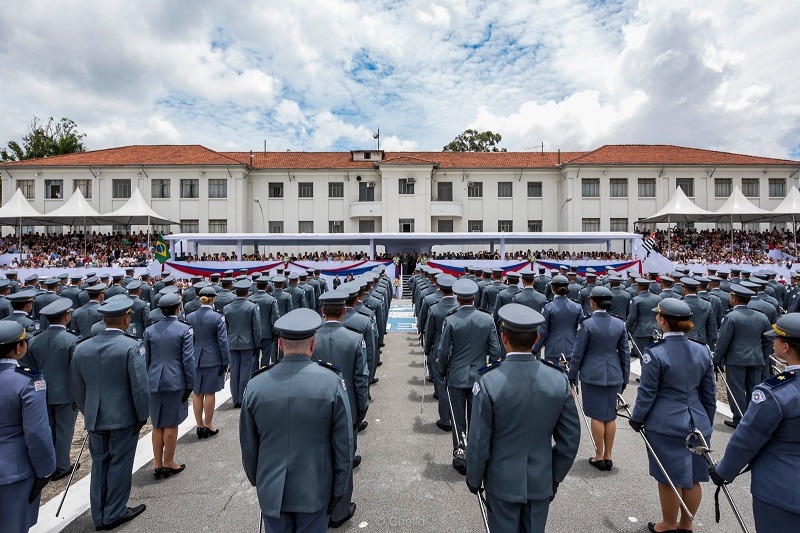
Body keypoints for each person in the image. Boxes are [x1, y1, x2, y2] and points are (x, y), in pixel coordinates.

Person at [466, 303, 580, 533]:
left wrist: (474, 478)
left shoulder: (489, 381)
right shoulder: (558, 379)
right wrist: (554, 476)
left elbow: (479, 441)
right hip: (541, 479)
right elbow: (570, 439)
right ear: (537, 337)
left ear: (503, 338)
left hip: (501, 480)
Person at [240, 308, 353, 533]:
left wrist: (261, 483)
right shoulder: (331, 382)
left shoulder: (255, 385)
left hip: (272, 491)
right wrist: (338, 491)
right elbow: (344, 445)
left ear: (280, 346)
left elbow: (249, 447)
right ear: (313, 345)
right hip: (315, 489)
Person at [628, 299, 716, 533]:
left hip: (665, 423)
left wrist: (637, 418)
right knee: (695, 477)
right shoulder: (702, 350)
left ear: (662, 320)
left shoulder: (655, 353)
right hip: (698, 421)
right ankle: (686, 525)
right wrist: (706, 421)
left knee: (668, 477)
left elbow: (647, 393)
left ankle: (668, 524)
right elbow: (709, 394)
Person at [710, 313, 800, 532]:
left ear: (785, 347)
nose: (773, 343)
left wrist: (723, 471)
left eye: (776, 340)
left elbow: (747, 438)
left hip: (782, 490)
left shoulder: (775, 392)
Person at [69, 297, 150, 531]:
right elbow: (139, 386)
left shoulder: (82, 347)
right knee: (120, 463)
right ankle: (114, 511)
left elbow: (76, 386)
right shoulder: (131, 346)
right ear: (126, 319)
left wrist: (88, 410)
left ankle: (99, 514)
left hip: (95, 415)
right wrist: (142, 415)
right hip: (123, 416)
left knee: (100, 463)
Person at [312, 290, 369, 528]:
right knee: (344, 456)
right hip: (347, 406)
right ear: (344, 311)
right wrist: (362, 407)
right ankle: (341, 509)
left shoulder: (310, 337)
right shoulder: (354, 338)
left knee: (318, 454)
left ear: (323, 311)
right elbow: (360, 378)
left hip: (315, 406)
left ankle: (320, 504)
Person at [438, 278, 501, 474]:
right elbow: (496, 351)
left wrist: (442, 370)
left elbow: (443, 351)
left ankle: (460, 454)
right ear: (474, 297)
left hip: (456, 374)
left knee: (457, 419)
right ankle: (476, 455)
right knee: (477, 419)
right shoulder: (487, 319)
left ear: (457, 298)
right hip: (479, 376)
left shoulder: (451, 319)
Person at [0, 321, 56, 533]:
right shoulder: (28, 380)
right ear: (18, 348)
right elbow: (37, 432)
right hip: (14, 471)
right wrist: (46, 469)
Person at [568, 286, 630, 471]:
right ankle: (609, 455)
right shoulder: (620, 324)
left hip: (592, 374)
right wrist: (625, 378)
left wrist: (572, 376)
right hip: (614, 374)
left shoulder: (586, 324)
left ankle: (599, 454)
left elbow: (577, 354)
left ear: (593, 302)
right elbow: (625, 354)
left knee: (596, 415)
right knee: (610, 416)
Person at [25, 298, 80, 481]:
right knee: (64, 430)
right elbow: (76, 370)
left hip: (42, 391)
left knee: (47, 430)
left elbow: (31, 367)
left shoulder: (34, 340)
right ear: (66, 317)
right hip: (66, 392)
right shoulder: (72, 340)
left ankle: (48, 465)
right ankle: (62, 466)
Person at [144, 292, 195, 479]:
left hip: (154, 379)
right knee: (171, 423)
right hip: (175, 380)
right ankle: (169, 462)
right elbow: (188, 360)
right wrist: (191, 383)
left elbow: (148, 359)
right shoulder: (184, 329)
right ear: (178, 308)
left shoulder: (150, 330)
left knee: (157, 424)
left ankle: (157, 464)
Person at [713, 285, 772, 428]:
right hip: (756, 358)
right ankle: (753, 417)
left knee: (736, 390)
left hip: (736, 359)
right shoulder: (761, 316)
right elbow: (768, 340)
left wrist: (717, 359)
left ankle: (740, 418)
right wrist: (762, 356)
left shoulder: (731, 317)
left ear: (733, 299)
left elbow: (723, 341)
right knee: (754, 389)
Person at [187, 287, 229, 439]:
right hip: (213, 358)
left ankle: (199, 425)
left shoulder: (190, 316)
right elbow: (223, 342)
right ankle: (208, 424)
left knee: (197, 393)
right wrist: (226, 361)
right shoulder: (217, 317)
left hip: (195, 357)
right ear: (213, 299)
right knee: (210, 393)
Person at [423, 274, 459, 431]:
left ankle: (445, 419)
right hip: (457, 351)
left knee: (442, 385)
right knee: (455, 386)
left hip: (438, 351)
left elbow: (429, 333)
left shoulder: (435, 308)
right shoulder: (459, 307)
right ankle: (457, 419)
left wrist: (427, 350)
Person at [224, 280, 262, 408]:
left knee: (234, 371)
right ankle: (243, 396)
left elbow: (226, 327)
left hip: (232, 342)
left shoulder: (227, 307)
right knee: (246, 370)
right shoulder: (252, 306)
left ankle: (236, 398)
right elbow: (256, 328)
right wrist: (257, 344)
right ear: (247, 292)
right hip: (248, 342)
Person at [532, 275, 582, 364]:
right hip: (572, 348)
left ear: (552, 288)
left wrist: (535, 349)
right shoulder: (577, 306)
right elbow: (580, 331)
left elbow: (542, 331)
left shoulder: (548, 307)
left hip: (553, 349)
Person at [249, 277, 280, 371]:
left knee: (254, 358)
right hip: (267, 332)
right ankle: (263, 374)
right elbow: (276, 317)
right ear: (267, 287)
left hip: (253, 333)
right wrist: (275, 332)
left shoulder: (250, 299)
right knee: (266, 358)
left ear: (256, 287)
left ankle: (253, 376)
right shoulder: (271, 299)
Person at [626, 277, 662, 358]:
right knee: (655, 356)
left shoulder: (636, 299)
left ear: (638, 286)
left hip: (642, 331)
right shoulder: (658, 298)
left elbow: (632, 316)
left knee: (644, 357)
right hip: (656, 329)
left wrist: (626, 327)